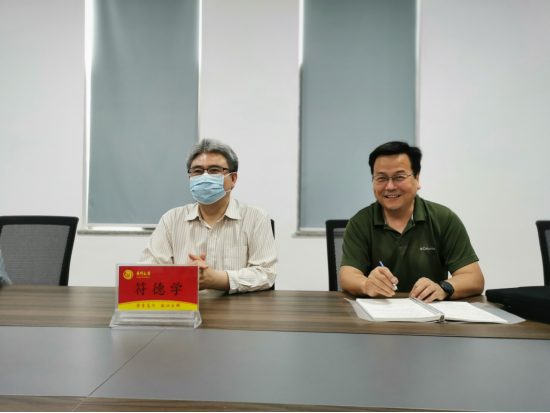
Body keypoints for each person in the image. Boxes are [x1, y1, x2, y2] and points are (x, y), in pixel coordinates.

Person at [339, 141, 484, 303]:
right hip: (379, 312)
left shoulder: (444, 219)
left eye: (399, 177)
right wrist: (366, 285)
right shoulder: (360, 222)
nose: (390, 186)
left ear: (417, 178)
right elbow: (348, 275)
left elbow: (474, 278)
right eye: (381, 178)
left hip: (431, 312)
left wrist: (442, 288)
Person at [139, 139, 277, 293]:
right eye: (197, 171)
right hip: (185, 305)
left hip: (237, 306)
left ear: (233, 179)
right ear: (190, 179)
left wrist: (216, 279)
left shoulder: (256, 218)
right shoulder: (171, 219)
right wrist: (182, 275)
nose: (205, 177)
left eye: (214, 170)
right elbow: (147, 271)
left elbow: (266, 274)